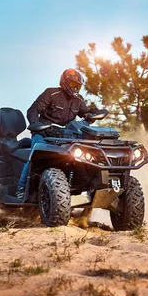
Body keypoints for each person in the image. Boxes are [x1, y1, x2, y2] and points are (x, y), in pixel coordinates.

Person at [16, 68, 94, 199]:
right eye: (72, 85)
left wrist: (93, 114)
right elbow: (33, 110)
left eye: (77, 86)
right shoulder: (51, 93)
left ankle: (88, 187)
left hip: (64, 137)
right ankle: (21, 188)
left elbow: (85, 113)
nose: (75, 88)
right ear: (64, 83)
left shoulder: (78, 100)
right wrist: (35, 124)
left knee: (83, 156)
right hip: (43, 134)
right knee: (34, 155)